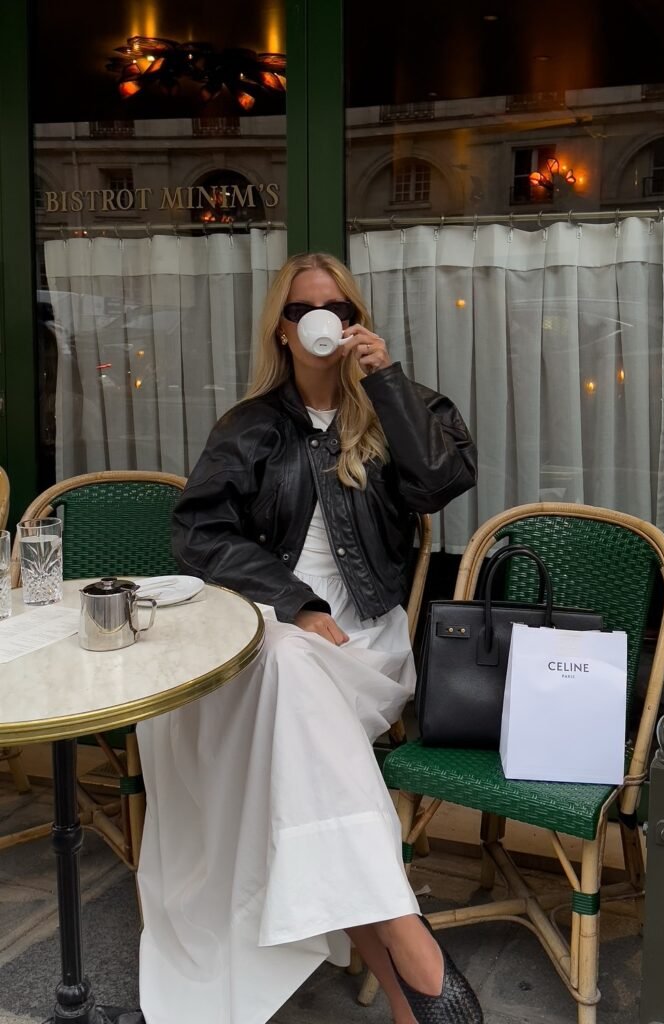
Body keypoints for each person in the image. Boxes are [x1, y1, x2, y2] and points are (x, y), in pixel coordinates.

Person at [135, 252, 479, 1024]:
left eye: (337, 309)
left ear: (353, 321)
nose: (319, 322)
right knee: (290, 673)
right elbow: (198, 534)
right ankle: (410, 969)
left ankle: (402, 974)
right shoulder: (250, 425)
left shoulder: (404, 408)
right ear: (283, 331)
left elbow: (439, 484)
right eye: (301, 311)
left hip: (367, 646)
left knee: (295, 719)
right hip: (275, 628)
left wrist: (383, 380)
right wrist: (295, 603)